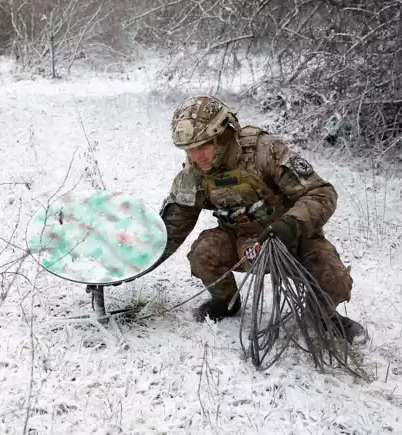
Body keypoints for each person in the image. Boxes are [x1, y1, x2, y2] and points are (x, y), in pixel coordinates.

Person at [157, 94, 368, 344]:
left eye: (203, 146)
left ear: (223, 135)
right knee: (203, 253)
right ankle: (225, 303)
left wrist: (289, 225)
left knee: (334, 279)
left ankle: (322, 316)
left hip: (291, 239)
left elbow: (321, 193)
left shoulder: (264, 151)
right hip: (241, 243)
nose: (196, 156)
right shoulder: (193, 173)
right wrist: (129, 266)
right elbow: (173, 227)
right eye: (189, 150)